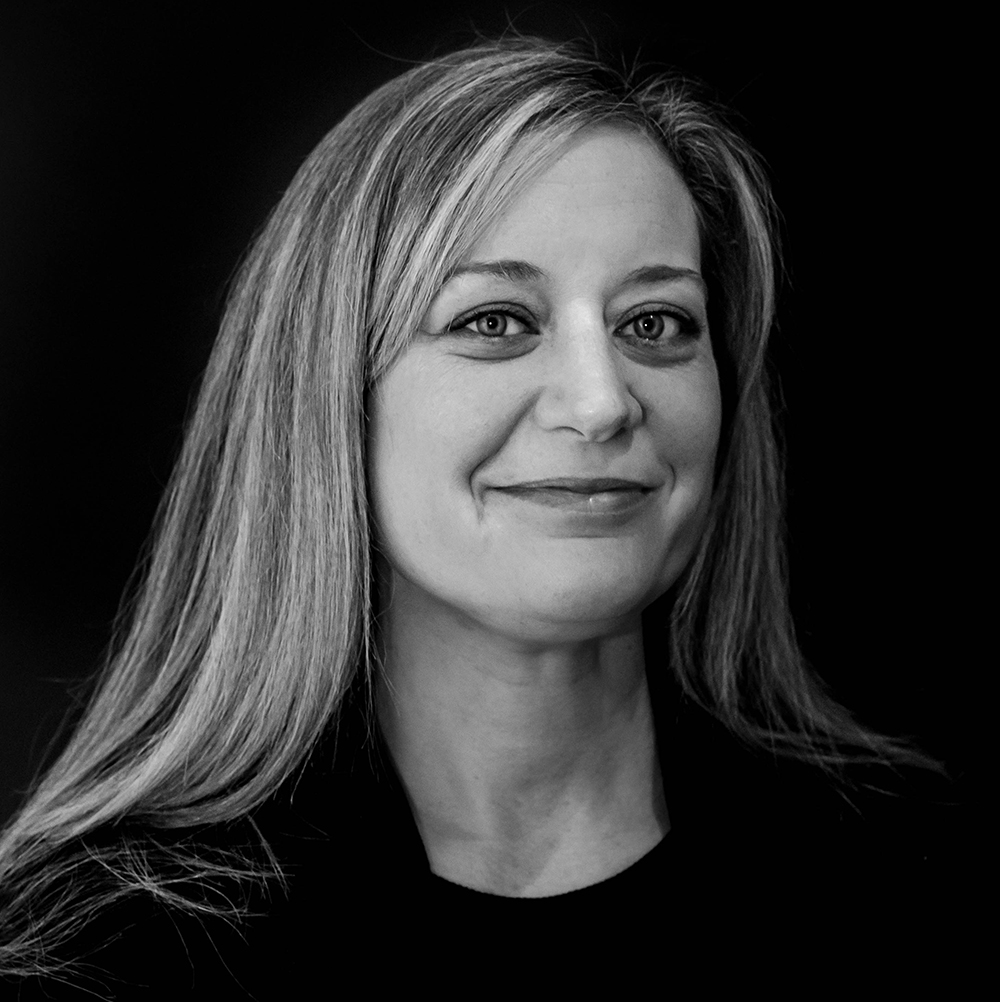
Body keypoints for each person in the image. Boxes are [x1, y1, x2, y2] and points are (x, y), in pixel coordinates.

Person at [0, 35, 960, 997]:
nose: (601, 402)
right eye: (494, 321)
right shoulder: (103, 956)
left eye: (654, 323)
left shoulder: (918, 870)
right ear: (326, 394)